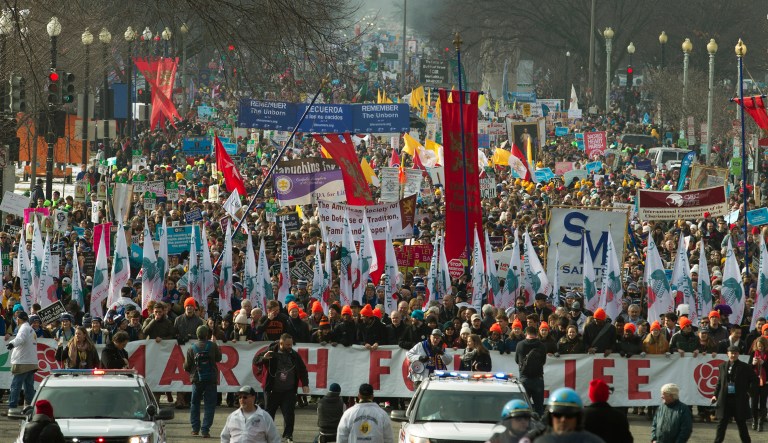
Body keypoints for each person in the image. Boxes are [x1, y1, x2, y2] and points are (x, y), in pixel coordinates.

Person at [252, 333, 310, 443]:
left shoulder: (294, 355)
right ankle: (267, 435)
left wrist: (305, 384)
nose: (290, 347)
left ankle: (288, 435)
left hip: (289, 391)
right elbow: (256, 360)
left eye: (291, 344)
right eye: (287, 345)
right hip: (272, 390)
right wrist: (264, 358)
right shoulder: (271, 350)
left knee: (289, 414)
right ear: (281, 343)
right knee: (269, 414)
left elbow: (303, 370)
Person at [712, 345, 758, 443]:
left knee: (741, 425)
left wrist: (749, 392)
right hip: (725, 399)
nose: (733, 355)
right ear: (727, 354)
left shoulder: (745, 367)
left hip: (739, 399)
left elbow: (755, 380)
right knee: (721, 425)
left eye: (735, 353)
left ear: (738, 354)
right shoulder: (722, 366)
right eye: (731, 353)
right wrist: (715, 394)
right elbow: (719, 382)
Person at [183, 325, 222, 438]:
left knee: (195, 403)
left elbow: (187, 366)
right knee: (209, 405)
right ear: (207, 335)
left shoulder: (192, 348)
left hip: (196, 379)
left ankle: (195, 429)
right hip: (211, 378)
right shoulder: (212, 346)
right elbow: (219, 359)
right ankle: (205, 430)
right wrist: (215, 344)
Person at [526, 387, 604, 442]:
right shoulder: (539, 440)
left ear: (578, 418)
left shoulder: (593, 441)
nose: (563, 420)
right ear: (550, 417)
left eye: (569, 415)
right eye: (557, 414)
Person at [7, 311, 37, 414]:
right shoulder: (31, 330)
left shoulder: (23, 328)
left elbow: (20, 339)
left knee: (16, 384)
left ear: (18, 320)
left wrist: (12, 343)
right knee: (29, 386)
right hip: (31, 362)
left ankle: (13, 406)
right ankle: (30, 406)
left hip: (22, 361)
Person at [515, 326, 547, 416]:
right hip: (538, 379)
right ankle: (539, 427)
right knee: (539, 408)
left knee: (523, 407)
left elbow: (517, 360)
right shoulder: (541, 345)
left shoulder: (520, 344)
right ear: (536, 334)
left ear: (526, 334)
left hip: (524, 378)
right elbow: (543, 361)